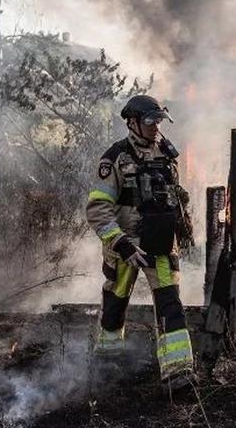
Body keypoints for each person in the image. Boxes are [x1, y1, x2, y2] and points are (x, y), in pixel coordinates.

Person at [85, 94, 194, 390]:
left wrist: (183, 228)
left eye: (159, 120)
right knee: (116, 301)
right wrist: (121, 244)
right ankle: (107, 363)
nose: (156, 127)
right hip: (126, 246)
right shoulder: (115, 158)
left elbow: (174, 197)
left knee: (170, 302)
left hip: (160, 245)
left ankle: (178, 372)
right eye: (150, 121)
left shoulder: (166, 153)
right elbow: (97, 208)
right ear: (132, 123)